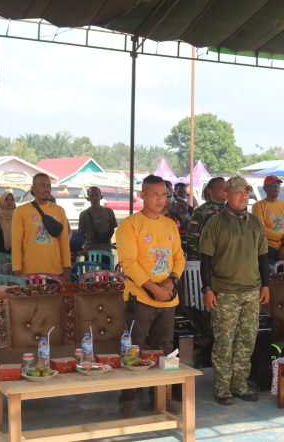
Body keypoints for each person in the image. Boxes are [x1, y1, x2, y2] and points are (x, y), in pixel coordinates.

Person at [116, 174, 185, 417]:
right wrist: (154, 288)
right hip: (141, 299)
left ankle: (159, 397)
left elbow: (179, 257)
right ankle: (128, 397)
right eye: (154, 194)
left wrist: (171, 280)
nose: (160, 199)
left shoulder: (169, 225)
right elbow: (129, 263)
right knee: (134, 349)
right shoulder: (130, 225)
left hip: (168, 298)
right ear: (142, 196)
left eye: (164, 194)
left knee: (164, 349)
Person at [199, 177, 269, 405]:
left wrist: (266, 285)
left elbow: (263, 256)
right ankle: (222, 388)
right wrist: (207, 289)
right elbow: (205, 259)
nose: (243, 196)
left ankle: (240, 385)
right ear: (226, 194)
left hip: (251, 292)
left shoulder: (256, 223)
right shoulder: (215, 223)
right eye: (238, 192)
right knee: (224, 342)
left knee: (247, 341)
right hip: (224, 292)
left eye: (246, 192)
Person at [11, 173, 71, 280]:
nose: (46, 189)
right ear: (33, 188)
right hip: (29, 272)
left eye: (48, 185)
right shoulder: (21, 211)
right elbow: (16, 244)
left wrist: (66, 270)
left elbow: (64, 243)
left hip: (55, 272)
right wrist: (17, 272)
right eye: (42, 185)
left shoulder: (59, 211)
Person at [251, 175, 284, 269]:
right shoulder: (258, 206)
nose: (277, 186)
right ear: (265, 188)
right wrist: (283, 236)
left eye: (278, 184)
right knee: (270, 279)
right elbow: (261, 229)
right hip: (268, 249)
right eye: (273, 184)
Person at [186, 177, 225, 260]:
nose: (225, 191)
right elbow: (192, 236)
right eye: (222, 188)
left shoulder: (231, 210)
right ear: (211, 191)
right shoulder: (199, 212)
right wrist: (194, 259)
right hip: (207, 258)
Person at [78, 186, 118, 267]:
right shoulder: (83, 214)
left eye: (96, 195)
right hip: (90, 250)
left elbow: (112, 229)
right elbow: (81, 234)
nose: (94, 198)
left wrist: (105, 239)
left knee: (107, 276)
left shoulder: (108, 212)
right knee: (89, 277)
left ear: (101, 197)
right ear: (88, 198)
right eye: (92, 196)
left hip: (106, 250)